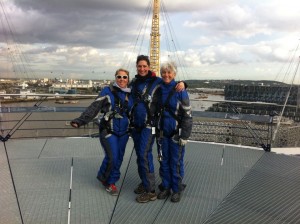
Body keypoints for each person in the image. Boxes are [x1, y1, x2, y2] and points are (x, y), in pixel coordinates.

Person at [130, 55, 185, 203]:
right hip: (138, 125)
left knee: (144, 154)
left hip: (150, 125)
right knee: (145, 157)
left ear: (149, 67)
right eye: (139, 66)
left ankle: (151, 190)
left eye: (144, 66)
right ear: (137, 67)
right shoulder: (134, 82)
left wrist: (183, 83)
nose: (142, 69)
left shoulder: (157, 82)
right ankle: (147, 182)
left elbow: (170, 83)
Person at [70, 68, 133, 196]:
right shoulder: (107, 91)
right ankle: (108, 181)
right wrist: (80, 121)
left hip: (124, 132)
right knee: (112, 157)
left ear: (128, 79)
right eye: (119, 77)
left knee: (119, 158)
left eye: (124, 77)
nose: (122, 79)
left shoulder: (131, 94)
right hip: (108, 130)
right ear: (115, 78)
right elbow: (94, 107)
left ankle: (109, 179)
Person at [156, 62, 192, 203]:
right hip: (162, 133)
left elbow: (188, 115)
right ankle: (166, 186)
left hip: (176, 134)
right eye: (164, 72)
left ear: (174, 74)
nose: (166, 75)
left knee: (175, 162)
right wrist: (155, 131)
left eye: (169, 72)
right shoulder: (159, 88)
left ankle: (176, 189)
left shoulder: (180, 90)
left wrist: (185, 136)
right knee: (163, 161)